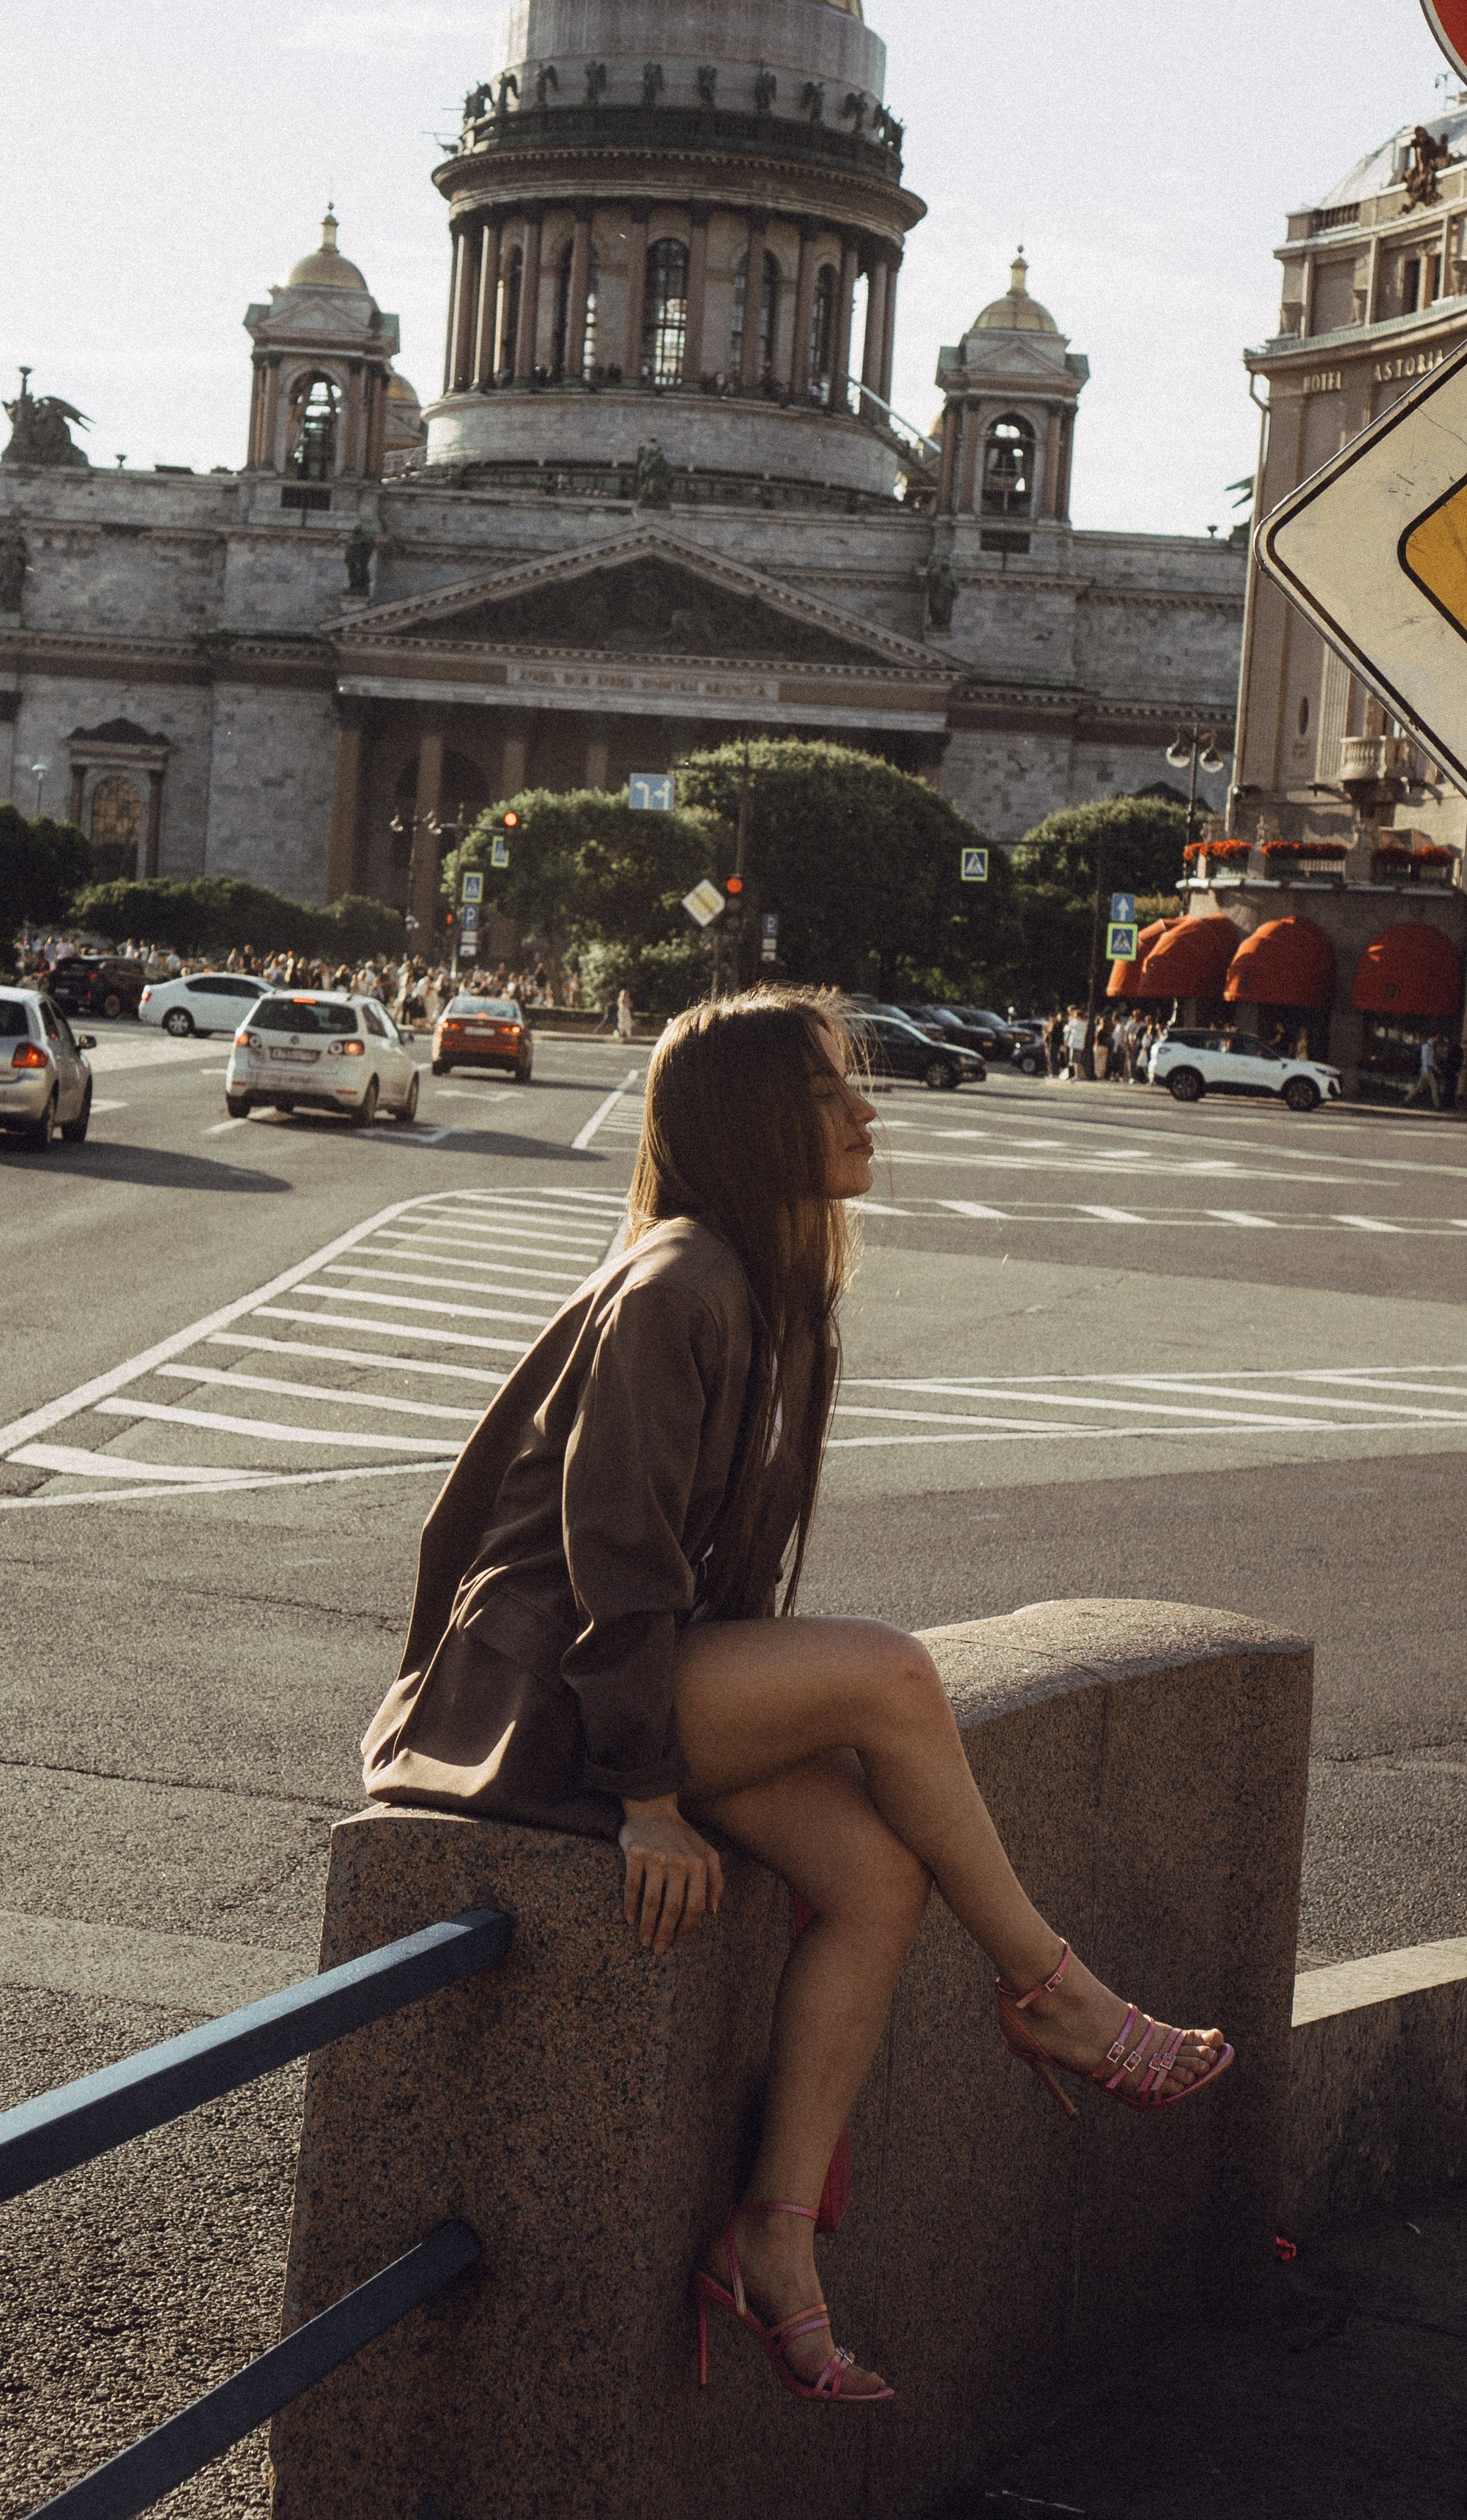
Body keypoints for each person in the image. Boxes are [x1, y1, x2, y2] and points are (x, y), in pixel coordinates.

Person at [363, 989, 1232, 2406]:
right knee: (893, 1673)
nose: (865, 1111)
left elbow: (731, 1580)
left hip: (629, 1677)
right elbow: (614, 1558)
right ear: (753, 1122)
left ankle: (771, 2239)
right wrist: (651, 1800)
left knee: (878, 1881)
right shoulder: (678, 1283)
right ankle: (1056, 1995)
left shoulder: (775, 1297)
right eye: (830, 1091)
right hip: (542, 1697)